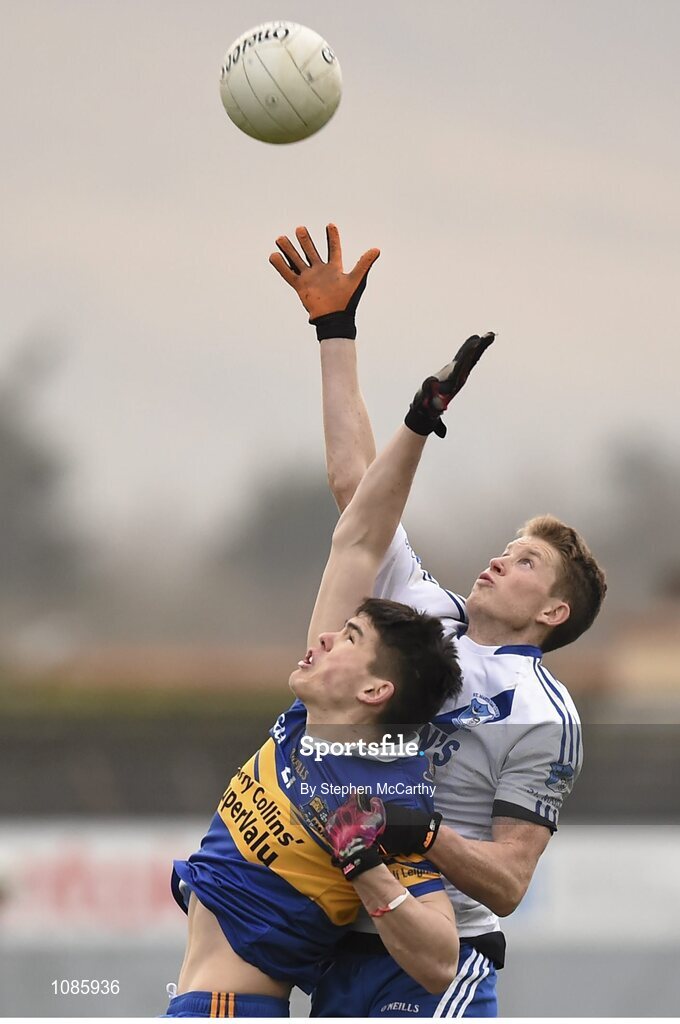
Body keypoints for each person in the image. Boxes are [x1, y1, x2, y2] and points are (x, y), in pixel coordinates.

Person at [270, 223, 607, 1017]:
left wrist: (418, 833)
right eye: (506, 547)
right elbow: (360, 490)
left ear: (555, 611)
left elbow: (511, 882)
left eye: (526, 562)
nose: (499, 561)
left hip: (441, 951)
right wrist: (335, 331)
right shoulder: (422, 616)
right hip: (342, 932)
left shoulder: (542, 713)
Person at [163, 317, 500, 1015]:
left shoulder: (383, 797)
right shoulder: (310, 714)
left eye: (346, 638)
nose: (319, 641)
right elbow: (358, 536)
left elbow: (441, 959)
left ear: (377, 688)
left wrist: (367, 868)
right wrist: (413, 415)